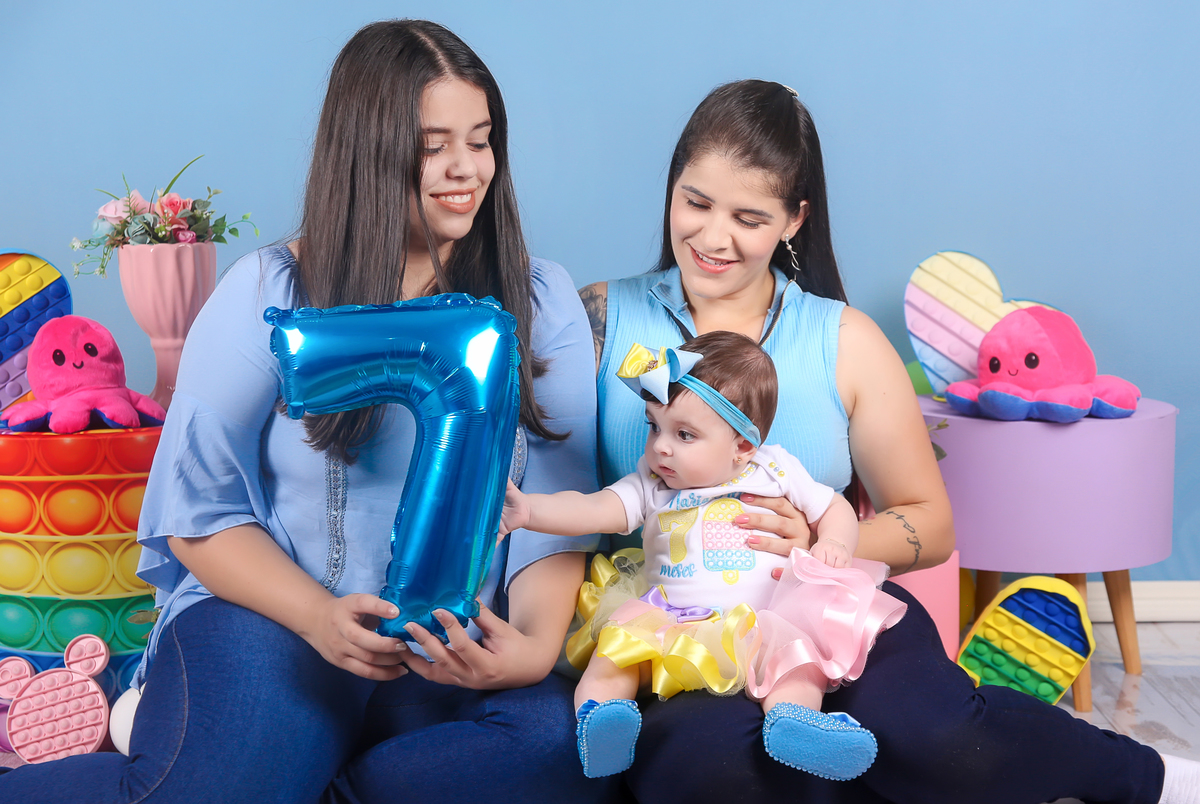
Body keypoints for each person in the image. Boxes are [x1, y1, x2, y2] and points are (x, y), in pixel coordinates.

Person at [0, 20, 611, 804]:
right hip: (276, 624)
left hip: (445, 645)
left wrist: (526, 651)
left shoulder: (540, 298)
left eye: (481, 140)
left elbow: (554, 509)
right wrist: (320, 617)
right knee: (220, 783)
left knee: (560, 753)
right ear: (369, 152)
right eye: (433, 146)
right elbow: (198, 509)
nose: (466, 169)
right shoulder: (270, 292)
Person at [580, 79, 1199, 804]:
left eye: (749, 217)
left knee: (940, 737)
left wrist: (818, 543)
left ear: (793, 221)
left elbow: (929, 523)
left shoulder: (844, 340)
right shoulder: (600, 320)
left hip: (828, 606)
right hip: (688, 622)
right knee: (712, 771)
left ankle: (1137, 775)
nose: (714, 238)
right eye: (696, 202)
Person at [502, 330, 907, 782]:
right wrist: (530, 510)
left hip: (763, 616)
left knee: (797, 660)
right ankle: (603, 719)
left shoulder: (774, 469)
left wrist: (833, 541)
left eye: (684, 434)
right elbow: (595, 508)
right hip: (668, 613)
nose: (660, 447)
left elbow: (834, 507)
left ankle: (793, 723)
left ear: (742, 448)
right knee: (616, 651)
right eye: (653, 426)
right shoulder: (652, 484)